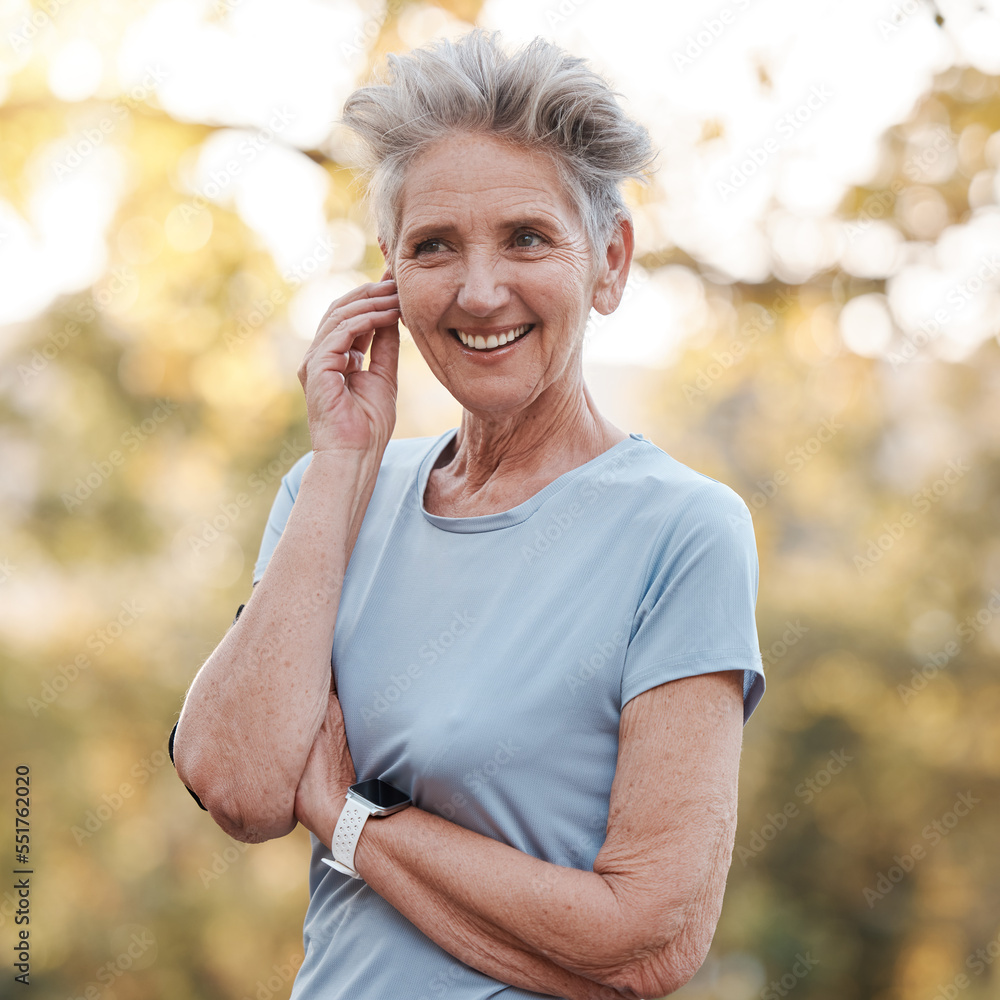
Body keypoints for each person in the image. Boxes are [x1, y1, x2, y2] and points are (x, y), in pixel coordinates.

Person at [170, 29, 765, 1000]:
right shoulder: (325, 498)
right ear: (387, 276)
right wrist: (342, 459)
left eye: (527, 238)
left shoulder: (683, 532)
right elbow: (235, 785)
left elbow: (645, 941)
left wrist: (341, 811)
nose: (479, 290)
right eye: (433, 246)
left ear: (607, 261)